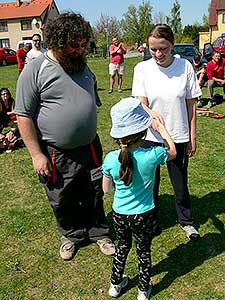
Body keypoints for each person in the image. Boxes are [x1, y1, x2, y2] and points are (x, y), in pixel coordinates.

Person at [14, 12, 115, 261]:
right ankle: (71, 235)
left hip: (90, 146)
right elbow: (23, 115)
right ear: (57, 41)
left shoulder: (82, 66)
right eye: (74, 45)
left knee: (94, 190)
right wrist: (37, 155)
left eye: (83, 45)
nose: (80, 50)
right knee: (62, 196)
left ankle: (98, 231)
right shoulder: (35, 70)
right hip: (55, 151)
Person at [132, 24, 202, 241]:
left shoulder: (185, 67)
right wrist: (151, 113)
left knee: (180, 182)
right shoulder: (142, 69)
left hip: (178, 135)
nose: (158, 54)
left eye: (163, 48)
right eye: (153, 49)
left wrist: (192, 135)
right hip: (150, 137)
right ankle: (150, 222)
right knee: (149, 182)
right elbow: (140, 102)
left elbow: (191, 105)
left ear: (172, 44)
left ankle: (186, 222)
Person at [102, 97, 176, 300]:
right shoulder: (153, 154)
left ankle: (115, 285)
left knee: (122, 247)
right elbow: (173, 151)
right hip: (144, 214)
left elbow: (106, 189)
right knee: (143, 250)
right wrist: (161, 130)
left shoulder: (109, 159)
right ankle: (143, 290)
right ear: (143, 132)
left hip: (119, 213)